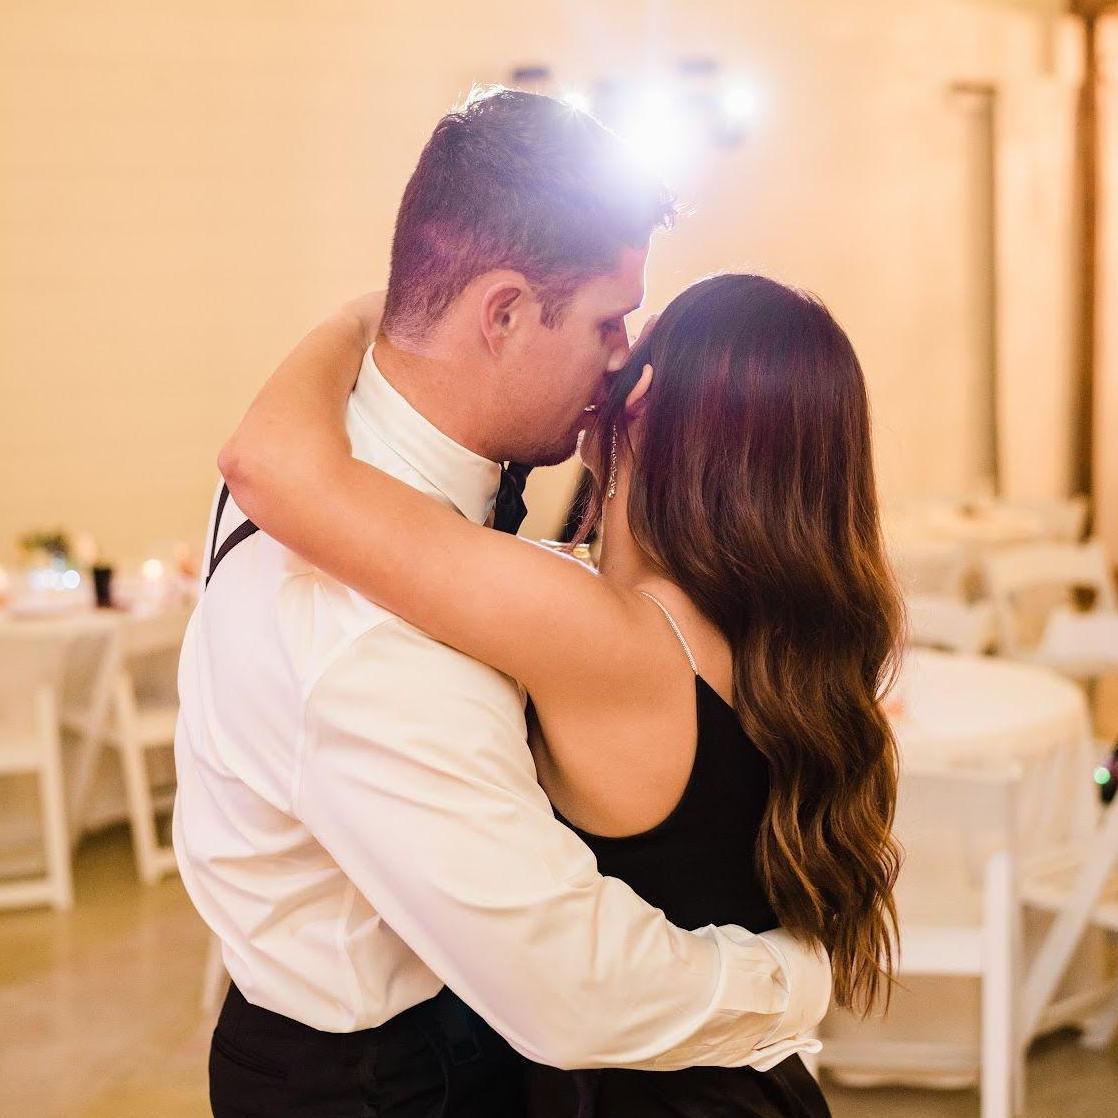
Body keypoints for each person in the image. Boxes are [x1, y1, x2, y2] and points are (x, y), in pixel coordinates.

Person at [173, 88, 832, 1118]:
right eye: (608, 321)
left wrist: (355, 317)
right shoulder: (363, 628)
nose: (622, 360)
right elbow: (570, 987)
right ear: (503, 312)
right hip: (386, 1085)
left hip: (463, 1032)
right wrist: (794, 980)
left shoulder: (331, 443)